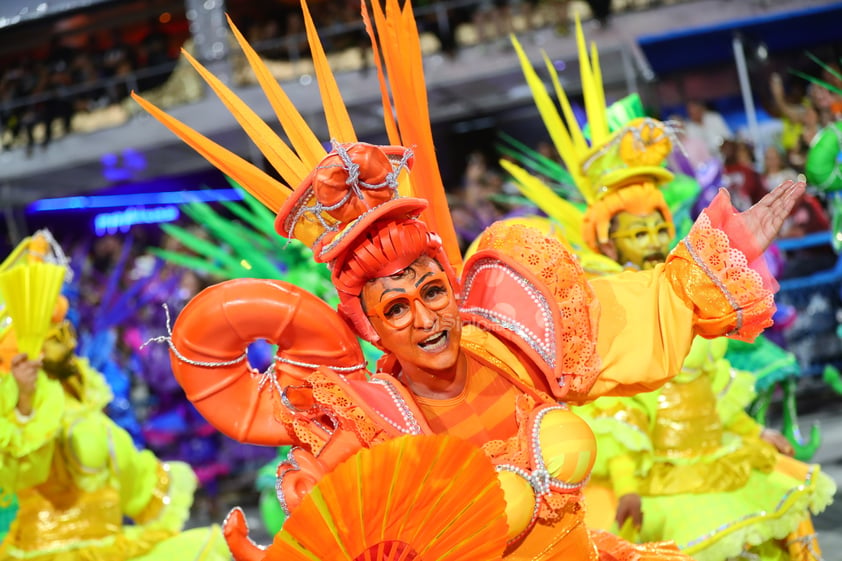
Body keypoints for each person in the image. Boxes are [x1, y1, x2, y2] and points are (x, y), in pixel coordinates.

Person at [132, 2, 807, 560]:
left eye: (431, 290)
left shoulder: (509, 337)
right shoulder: (373, 427)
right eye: (396, 306)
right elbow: (338, 537)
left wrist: (719, 254)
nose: (427, 318)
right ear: (367, 323)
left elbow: (645, 313)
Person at [501, 26, 833, 561]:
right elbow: (616, 421)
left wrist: (751, 437)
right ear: (608, 241)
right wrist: (629, 481)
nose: (654, 240)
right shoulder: (597, 317)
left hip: (720, 459)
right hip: (659, 487)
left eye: (659, 227)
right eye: (638, 233)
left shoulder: (688, 301)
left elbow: (715, 392)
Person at [0, 232, 229, 561]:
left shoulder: (83, 391)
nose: (65, 336)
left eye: (65, 327)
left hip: (108, 543)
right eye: (53, 333)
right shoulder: (14, 404)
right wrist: (24, 401)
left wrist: (159, 490)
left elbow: (118, 465)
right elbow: (21, 474)